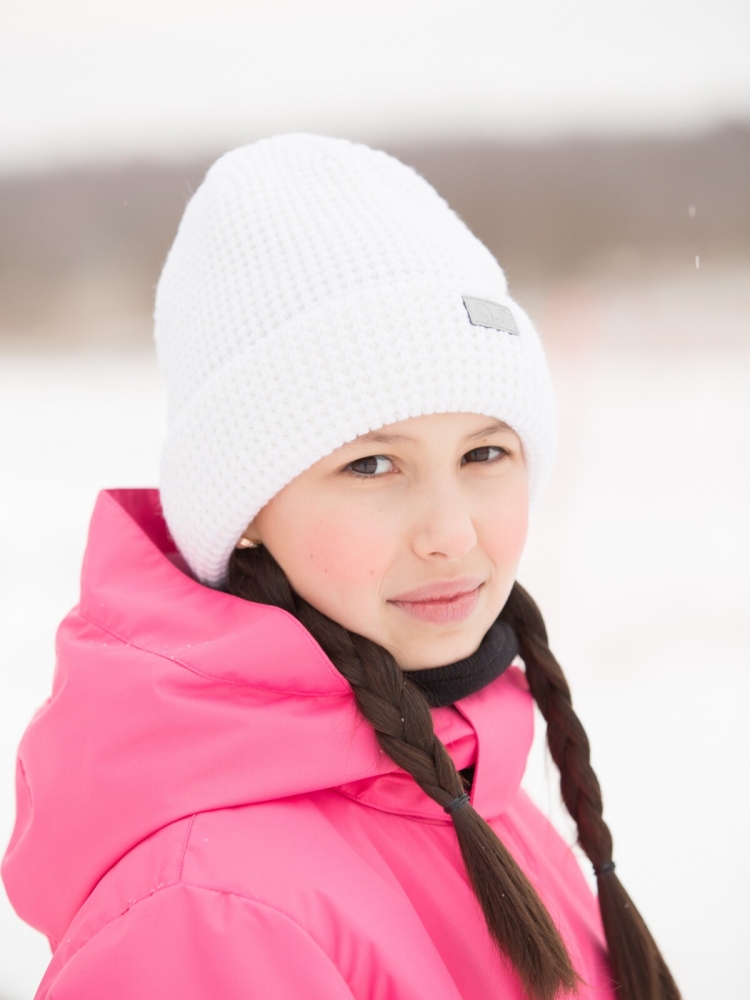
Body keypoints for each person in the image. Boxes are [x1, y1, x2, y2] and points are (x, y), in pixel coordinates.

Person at [2, 135, 680, 1000]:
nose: (449, 535)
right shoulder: (212, 914)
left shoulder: (459, 780)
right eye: (373, 465)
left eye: (483, 453)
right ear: (247, 511)